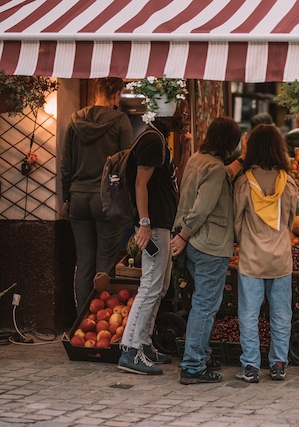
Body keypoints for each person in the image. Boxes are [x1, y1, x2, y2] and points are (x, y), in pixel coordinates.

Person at [170, 117, 247, 385]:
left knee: (199, 303)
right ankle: (192, 366)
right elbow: (202, 207)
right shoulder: (215, 168)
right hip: (209, 244)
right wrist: (184, 234)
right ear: (230, 143)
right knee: (205, 306)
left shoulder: (196, 160)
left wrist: (183, 235)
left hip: (194, 245)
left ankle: (200, 354)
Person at [60, 77, 134, 315]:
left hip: (79, 198)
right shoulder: (120, 121)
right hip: (107, 200)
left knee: (84, 262)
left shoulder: (74, 120)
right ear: (115, 93)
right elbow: (127, 163)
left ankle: (81, 320)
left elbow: (66, 165)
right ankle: (101, 317)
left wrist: (66, 198)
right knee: (105, 263)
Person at [117, 114, 182, 375]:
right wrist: (144, 223)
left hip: (160, 223)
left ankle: (143, 343)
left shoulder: (159, 139)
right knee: (150, 285)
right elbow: (140, 183)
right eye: (179, 109)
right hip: (153, 225)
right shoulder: (153, 140)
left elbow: (167, 181)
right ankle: (131, 349)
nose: (183, 115)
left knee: (160, 285)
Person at [233, 124, 298, 383]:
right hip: (281, 258)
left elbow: (236, 222)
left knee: (249, 313)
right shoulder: (288, 182)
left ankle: (250, 366)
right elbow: (291, 221)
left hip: (251, 258)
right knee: (281, 313)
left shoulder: (243, 182)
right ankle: (279, 363)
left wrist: (244, 239)